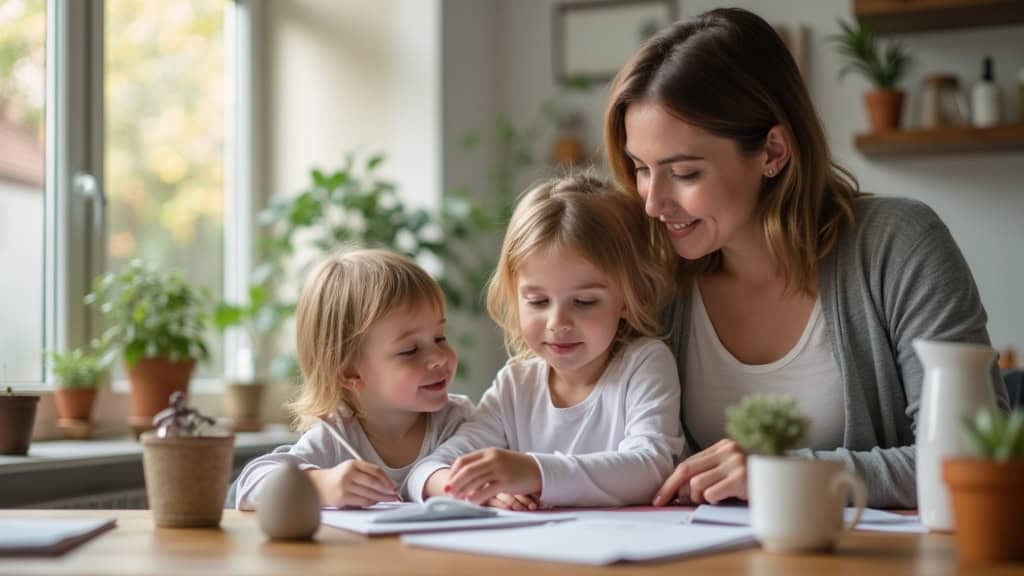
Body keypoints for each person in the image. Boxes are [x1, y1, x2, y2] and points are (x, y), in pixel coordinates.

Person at [603, 7, 1008, 509]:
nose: (652, 202)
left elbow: (974, 461)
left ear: (773, 151)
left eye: (684, 173)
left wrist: (783, 474)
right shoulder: (651, 274)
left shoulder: (898, 245)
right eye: (641, 169)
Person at [406, 175, 684, 509]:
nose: (558, 324)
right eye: (537, 302)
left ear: (627, 298)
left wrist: (535, 472)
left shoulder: (644, 363)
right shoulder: (516, 384)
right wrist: (480, 490)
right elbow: (424, 473)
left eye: (584, 302)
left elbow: (651, 468)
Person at [235, 248, 473, 509]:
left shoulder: (458, 420)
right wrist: (322, 485)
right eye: (410, 350)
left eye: (440, 337)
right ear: (349, 372)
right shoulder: (337, 435)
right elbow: (248, 486)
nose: (439, 357)